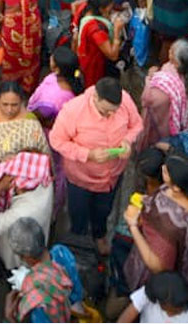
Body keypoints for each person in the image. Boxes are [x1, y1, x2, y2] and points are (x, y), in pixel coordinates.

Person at [49, 76, 143, 255]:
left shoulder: (125, 100)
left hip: (111, 176)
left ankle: (99, 235)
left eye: (114, 112)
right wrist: (88, 154)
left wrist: (127, 141)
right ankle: (79, 243)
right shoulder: (73, 110)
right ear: (95, 98)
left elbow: (136, 124)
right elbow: (56, 140)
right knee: (78, 214)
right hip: (81, 178)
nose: (110, 116)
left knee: (104, 210)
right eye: (105, 111)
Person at [121, 153, 188, 295]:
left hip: (158, 278)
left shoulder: (170, 221)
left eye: (166, 171)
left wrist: (133, 225)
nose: (162, 167)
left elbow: (157, 266)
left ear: (176, 188)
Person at [3, 217, 74, 323]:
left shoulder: (36, 301)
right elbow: (75, 294)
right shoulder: (62, 253)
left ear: (26, 257)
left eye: (20, 256)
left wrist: (10, 318)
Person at [118, 271, 188, 323]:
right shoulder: (146, 294)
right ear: (158, 301)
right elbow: (126, 318)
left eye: (178, 311)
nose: (171, 315)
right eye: (171, 310)